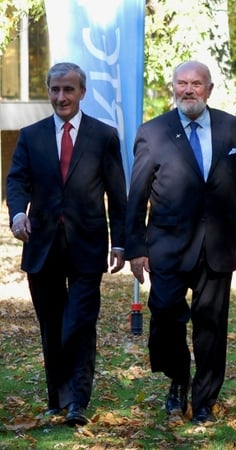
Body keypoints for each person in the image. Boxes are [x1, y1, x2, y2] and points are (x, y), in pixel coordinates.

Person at [125, 60, 236, 425]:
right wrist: (135, 247)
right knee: (165, 315)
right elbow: (137, 194)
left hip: (218, 245)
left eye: (197, 83)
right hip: (167, 244)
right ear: (173, 87)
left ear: (209, 89)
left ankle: (204, 400)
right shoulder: (153, 132)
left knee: (211, 325)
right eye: (182, 83)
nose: (189, 90)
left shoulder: (233, 128)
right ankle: (177, 380)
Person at [5, 62, 127, 427]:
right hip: (41, 245)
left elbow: (116, 194)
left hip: (87, 246)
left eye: (68, 89)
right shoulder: (31, 136)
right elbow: (17, 182)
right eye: (55, 90)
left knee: (79, 323)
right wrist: (18, 214)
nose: (61, 97)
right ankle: (57, 399)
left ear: (82, 92)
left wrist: (120, 243)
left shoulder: (104, 136)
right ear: (48, 91)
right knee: (52, 325)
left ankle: (77, 401)